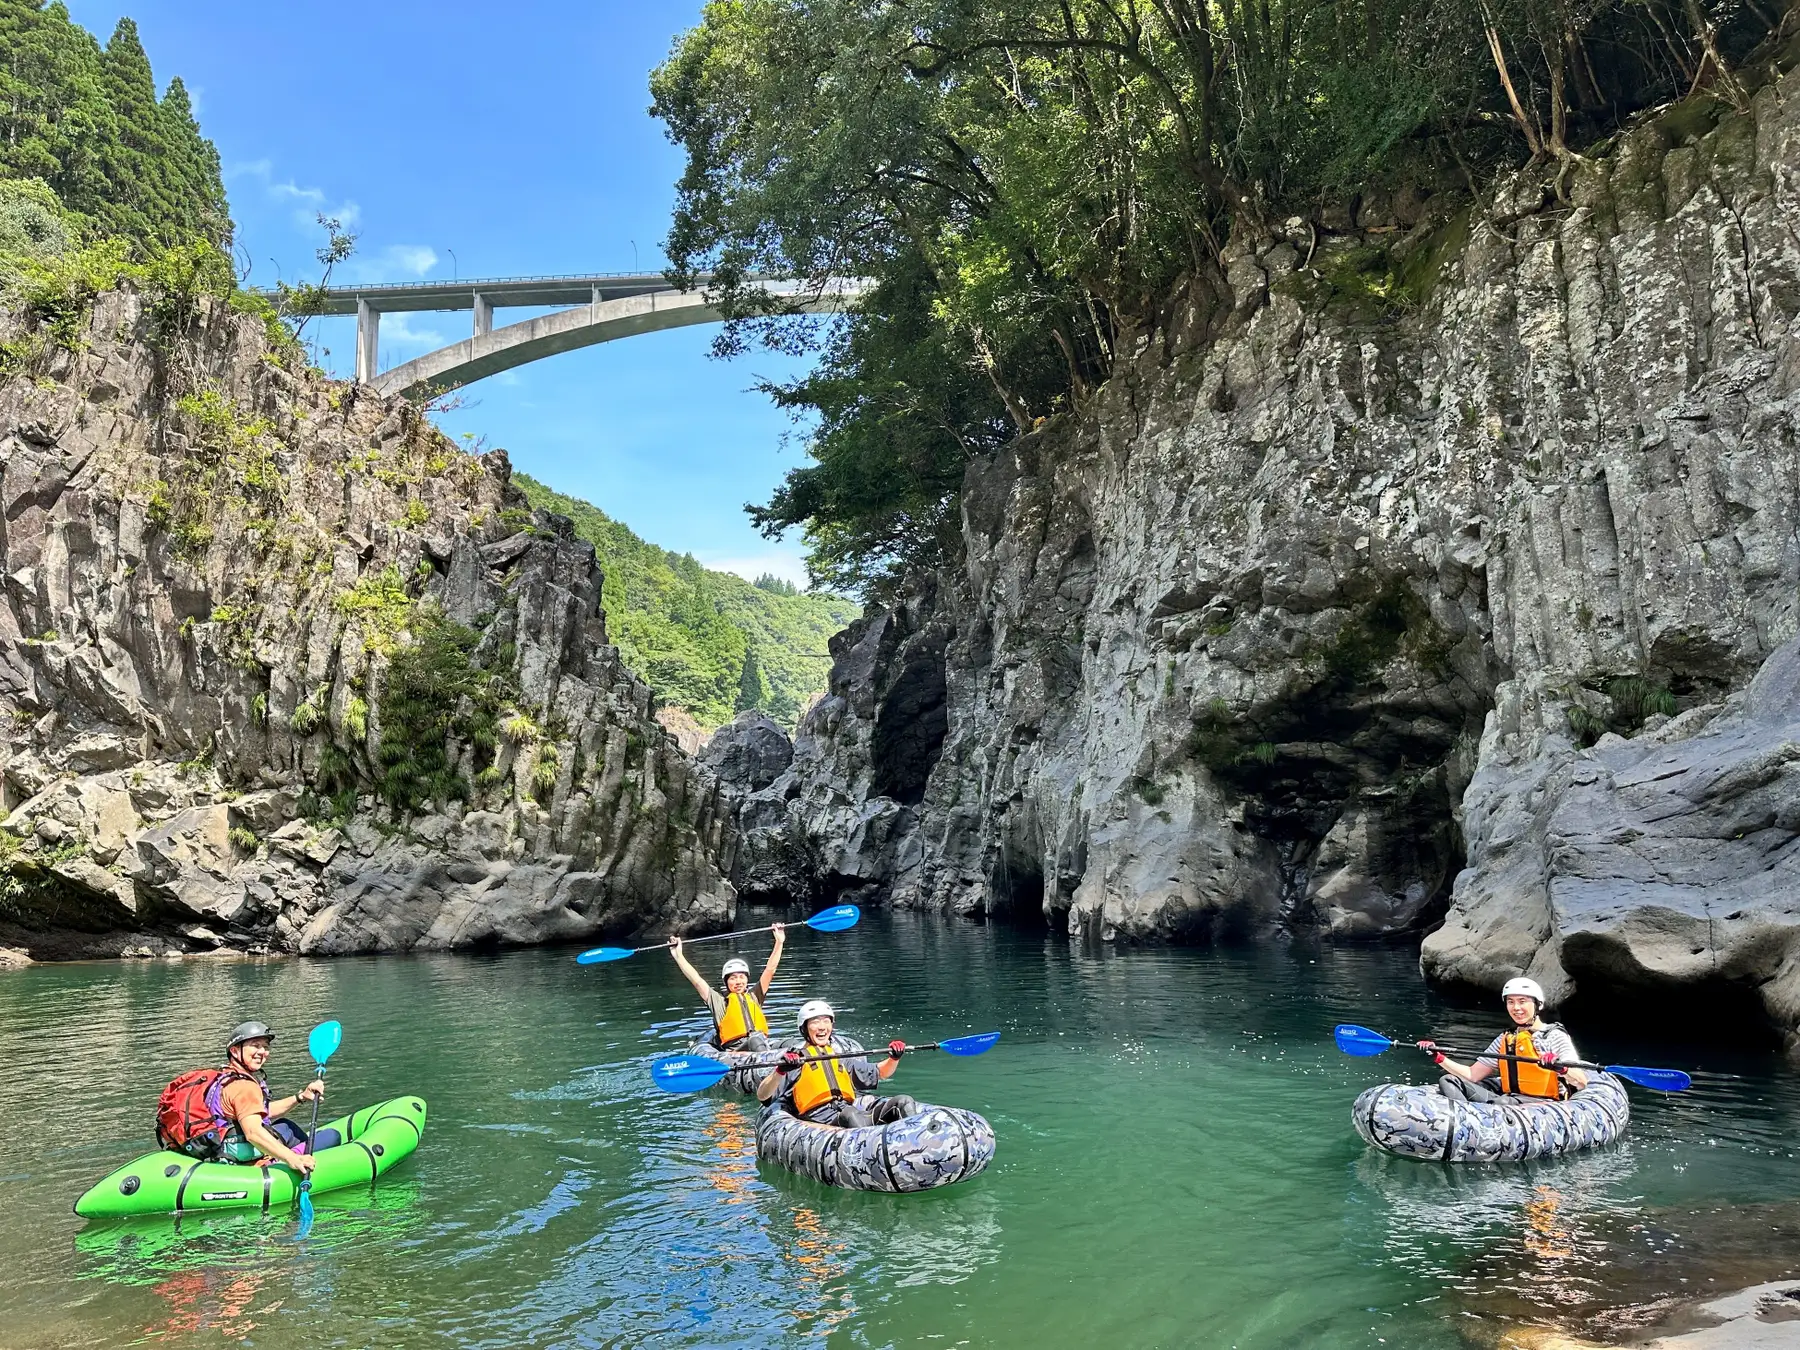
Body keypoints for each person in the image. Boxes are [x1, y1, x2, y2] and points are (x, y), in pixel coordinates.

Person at [1418, 978, 1590, 1103]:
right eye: (1511, 1002)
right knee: (1449, 1081)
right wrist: (1439, 1057)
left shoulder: (1553, 1036)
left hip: (1543, 1104)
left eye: (1522, 1002)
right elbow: (1473, 1075)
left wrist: (1561, 1067)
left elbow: (1580, 1081)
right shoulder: (1506, 1038)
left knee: (1502, 1104)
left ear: (1538, 1005)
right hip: (1510, 1099)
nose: (1516, 1008)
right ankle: (1463, 1122)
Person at [756, 999, 918, 1128]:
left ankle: (915, 1145)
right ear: (804, 1028)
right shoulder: (795, 1061)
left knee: (903, 1102)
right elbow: (763, 1096)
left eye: (826, 1021)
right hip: (825, 1123)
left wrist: (894, 1058)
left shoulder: (839, 1058)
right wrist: (780, 1071)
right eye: (815, 1022)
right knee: (849, 1115)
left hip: (852, 1114)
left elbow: (881, 1072)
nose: (821, 1027)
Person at [206, 1022, 330, 1170]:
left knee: (286, 1126)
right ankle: (294, 1164)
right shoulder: (243, 1087)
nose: (262, 1052)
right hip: (241, 1157)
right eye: (255, 1045)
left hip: (222, 1144)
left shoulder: (224, 1076)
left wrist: (300, 1097)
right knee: (331, 1136)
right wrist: (293, 1159)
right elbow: (253, 1133)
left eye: (265, 1047)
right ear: (234, 1051)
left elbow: (257, 1111)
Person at [670, 924, 785, 1052]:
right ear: (726, 982)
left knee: (789, 1043)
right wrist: (678, 955)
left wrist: (779, 942)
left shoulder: (754, 996)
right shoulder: (718, 1002)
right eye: (733, 978)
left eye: (742, 977)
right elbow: (696, 980)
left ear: (747, 979)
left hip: (761, 1044)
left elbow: (770, 970)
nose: (738, 981)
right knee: (755, 1042)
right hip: (737, 1050)